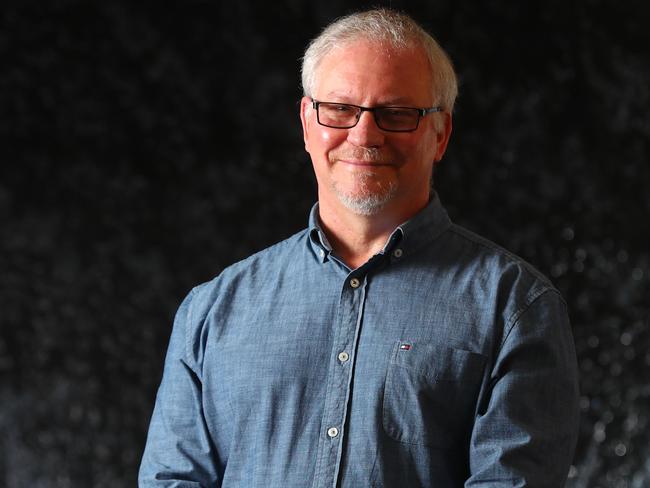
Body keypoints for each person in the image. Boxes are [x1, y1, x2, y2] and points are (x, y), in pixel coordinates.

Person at [139, 8, 579, 487]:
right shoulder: (211, 311)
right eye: (340, 109)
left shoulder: (515, 309)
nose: (365, 135)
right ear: (308, 121)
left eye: (396, 114)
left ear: (441, 134)